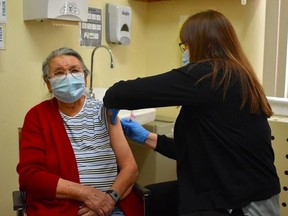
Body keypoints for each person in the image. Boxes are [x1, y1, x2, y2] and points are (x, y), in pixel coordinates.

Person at [103, 10, 281, 216]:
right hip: (241, 190)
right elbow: (192, 149)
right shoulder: (236, 75)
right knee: (149, 198)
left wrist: (112, 97)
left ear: (205, 44)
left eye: (186, 44)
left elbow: (132, 92)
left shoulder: (213, 75)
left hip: (243, 202)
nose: (185, 51)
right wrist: (146, 137)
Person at [16, 47, 138, 216]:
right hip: (62, 209)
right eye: (59, 73)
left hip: (110, 206)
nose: (68, 77)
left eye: (74, 70)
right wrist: (87, 193)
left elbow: (130, 167)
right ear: (48, 84)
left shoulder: (105, 111)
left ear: (85, 78)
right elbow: (30, 177)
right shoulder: (37, 117)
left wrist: (107, 201)